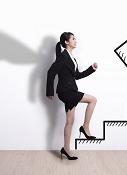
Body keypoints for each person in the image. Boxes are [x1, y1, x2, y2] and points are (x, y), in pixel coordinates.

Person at [46, 32, 98, 160]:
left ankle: (66, 149)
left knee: (70, 121)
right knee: (93, 100)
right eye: (73, 39)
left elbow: (76, 76)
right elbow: (51, 72)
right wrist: (50, 92)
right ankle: (85, 127)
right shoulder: (63, 56)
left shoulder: (72, 58)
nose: (76, 41)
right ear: (66, 42)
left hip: (70, 90)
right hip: (66, 92)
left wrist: (91, 69)